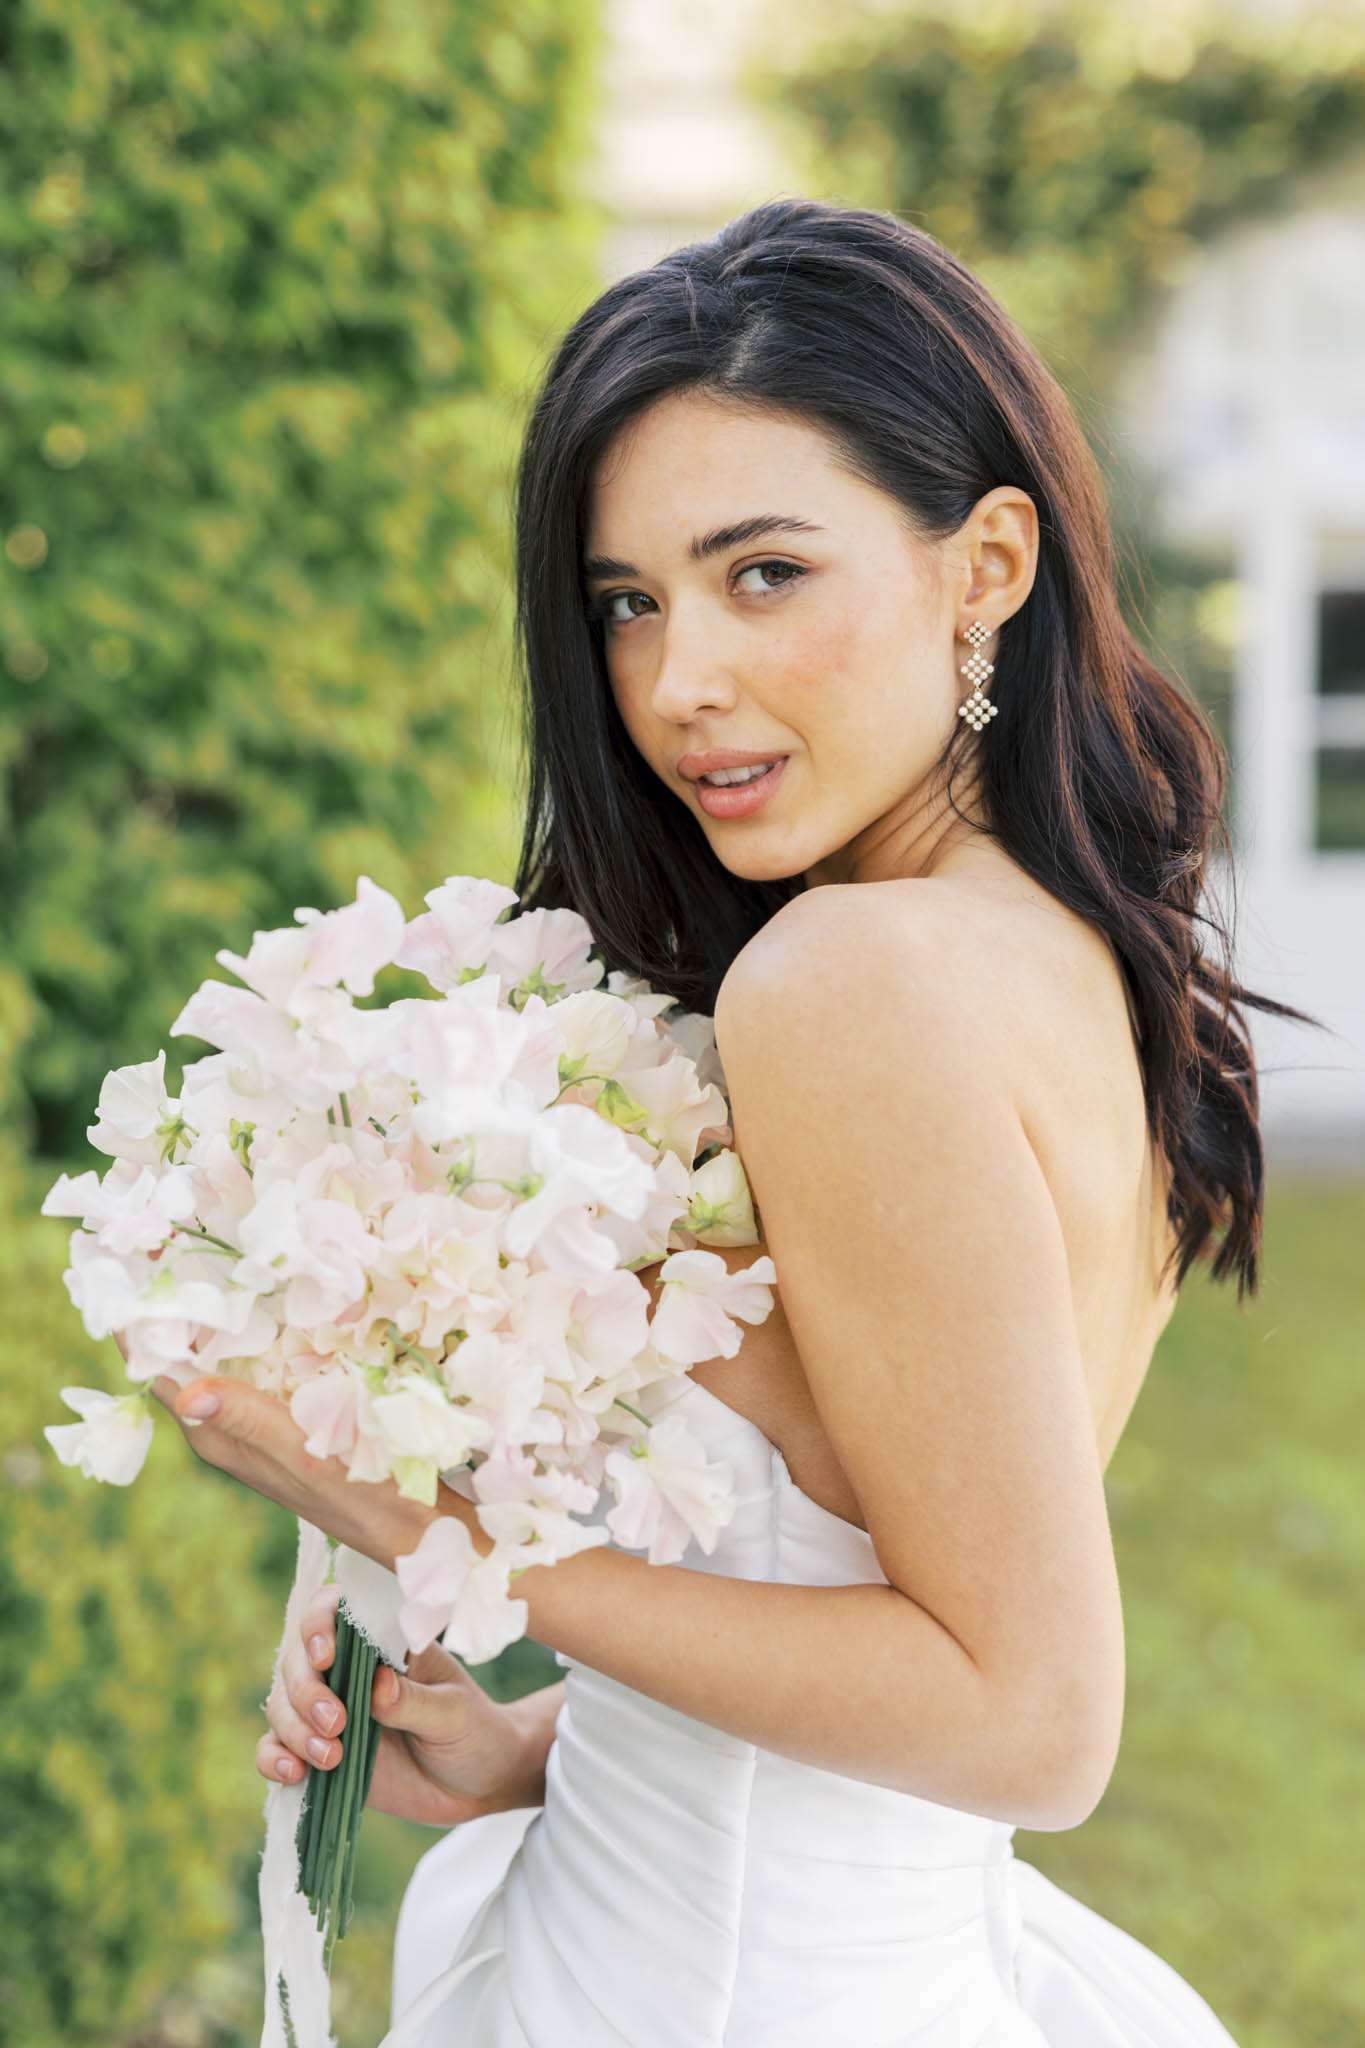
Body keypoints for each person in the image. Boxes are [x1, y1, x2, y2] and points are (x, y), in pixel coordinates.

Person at [245, 196, 1317, 2043]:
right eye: (625, 604)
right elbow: (885, 1559)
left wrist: (447, 1539)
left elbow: (1028, 1719)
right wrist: (531, 1749)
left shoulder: (842, 985)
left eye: (764, 575)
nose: (677, 687)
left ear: (985, 566)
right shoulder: (1065, 953)